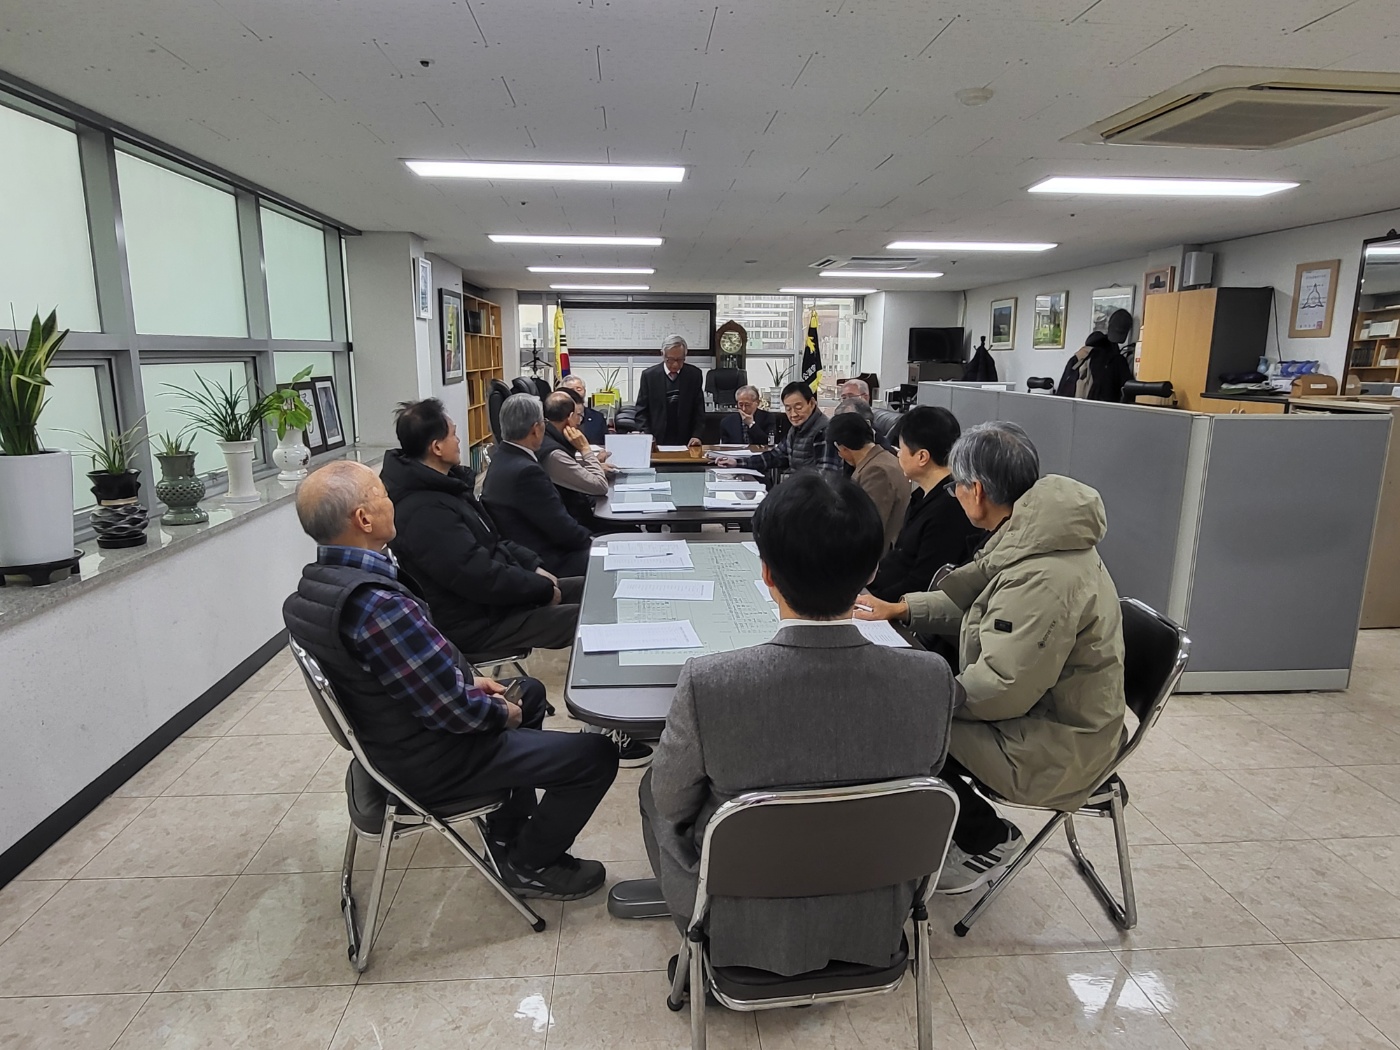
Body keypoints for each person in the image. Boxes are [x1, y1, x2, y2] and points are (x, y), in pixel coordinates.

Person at [640, 471, 957, 975]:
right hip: (875, 919)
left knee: (654, 788)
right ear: (872, 571)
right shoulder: (931, 679)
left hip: (739, 916)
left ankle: (700, 937)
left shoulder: (710, 684)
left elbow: (671, 803)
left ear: (766, 573)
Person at [283, 460, 617, 900]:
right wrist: (496, 712)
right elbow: (453, 712)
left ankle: (507, 832)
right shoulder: (378, 605)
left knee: (530, 693)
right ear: (363, 519)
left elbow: (396, 676)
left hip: (389, 744)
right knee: (594, 755)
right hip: (432, 761)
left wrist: (470, 683)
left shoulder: (314, 588)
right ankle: (530, 864)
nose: (391, 501)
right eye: (381, 494)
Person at [856, 422, 1126, 894]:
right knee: (903, 701)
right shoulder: (1033, 533)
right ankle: (945, 826)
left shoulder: (1045, 576)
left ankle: (989, 838)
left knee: (898, 722)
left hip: (1057, 744)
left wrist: (919, 692)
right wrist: (901, 608)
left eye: (957, 487)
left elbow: (1001, 689)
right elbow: (979, 602)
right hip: (1043, 714)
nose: (956, 495)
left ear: (976, 491)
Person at [381, 397, 582, 657]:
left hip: (496, 600)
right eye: (453, 435)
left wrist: (534, 567)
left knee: (590, 587)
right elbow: (478, 576)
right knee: (590, 618)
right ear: (437, 447)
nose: (458, 441)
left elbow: (494, 540)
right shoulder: (424, 512)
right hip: (476, 622)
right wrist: (539, 589)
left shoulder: (447, 486)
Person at [867, 406, 984, 602]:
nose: (898, 455)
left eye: (901, 449)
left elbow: (923, 583)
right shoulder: (922, 495)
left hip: (904, 607)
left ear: (922, 457)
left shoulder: (950, 509)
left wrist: (872, 602)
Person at [482, 393, 594, 579]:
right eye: (544, 422)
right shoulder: (527, 472)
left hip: (520, 554)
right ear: (536, 429)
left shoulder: (501, 458)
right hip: (547, 560)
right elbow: (562, 529)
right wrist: (595, 542)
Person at [715, 381, 841, 474]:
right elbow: (775, 456)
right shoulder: (796, 429)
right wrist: (737, 462)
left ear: (812, 403)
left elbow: (826, 476)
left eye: (798, 407)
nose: (793, 414)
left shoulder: (824, 431)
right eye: (788, 409)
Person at [827, 411, 909, 551]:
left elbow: (867, 528)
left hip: (875, 556)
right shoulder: (886, 459)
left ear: (841, 448)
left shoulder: (876, 472)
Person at [540, 391, 610, 529]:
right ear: (570, 417)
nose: (579, 422)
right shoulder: (554, 454)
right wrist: (585, 449)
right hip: (575, 526)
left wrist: (592, 466)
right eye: (578, 416)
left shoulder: (549, 437)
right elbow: (600, 486)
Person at [634, 335, 705, 448]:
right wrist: (647, 436)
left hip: (686, 441)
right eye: (671, 360)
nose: (675, 364)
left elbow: (699, 410)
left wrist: (697, 436)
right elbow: (641, 411)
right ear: (663, 354)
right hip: (656, 439)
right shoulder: (649, 376)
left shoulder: (694, 375)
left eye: (680, 360)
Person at [1057, 309, 1133, 402]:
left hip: (1072, 409)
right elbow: (1129, 393)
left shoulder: (1078, 357)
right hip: (1101, 410)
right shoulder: (1118, 361)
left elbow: (1060, 393)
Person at [839, 377, 901, 446]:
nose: (846, 401)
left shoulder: (872, 433)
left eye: (851, 397)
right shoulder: (838, 424)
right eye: (844, 398)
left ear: (865, 398)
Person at [559, 375, 608, 446]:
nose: (575, 392)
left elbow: (605, 443)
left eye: (579, 389)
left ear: (585, 391)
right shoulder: (558, 418)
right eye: (571, 390)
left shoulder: (598, 417)